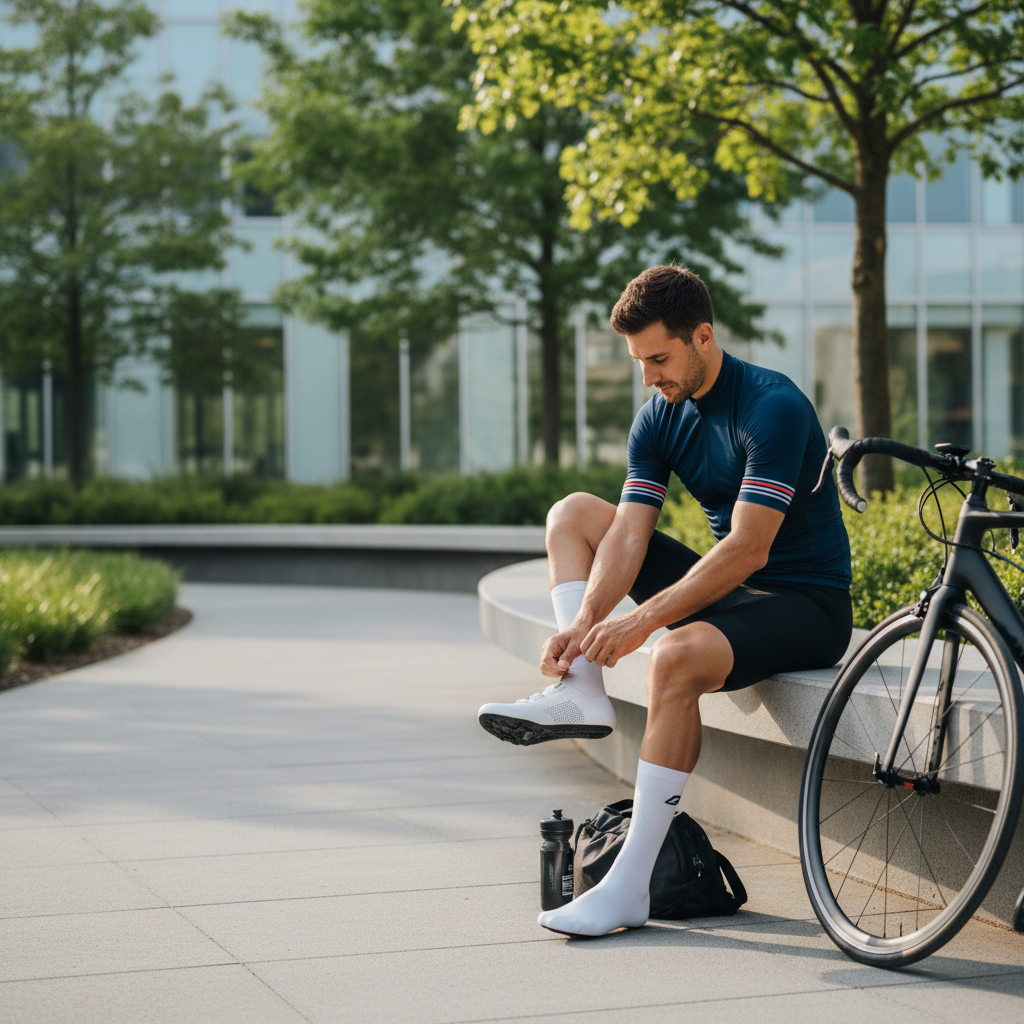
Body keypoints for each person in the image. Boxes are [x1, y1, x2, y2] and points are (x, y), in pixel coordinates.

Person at [477, 265, 853, 937]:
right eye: (638, 361)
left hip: (805, 604)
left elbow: (748, 548)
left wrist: (644, 621)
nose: (647, 376)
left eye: (658, 358)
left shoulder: (774, 405)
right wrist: (588, 628)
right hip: (732, 595)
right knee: (574, 514)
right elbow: (626, 532)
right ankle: (582, 688)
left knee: (672, 654)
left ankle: (628, 887)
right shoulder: (659, 415)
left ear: (702, 336)